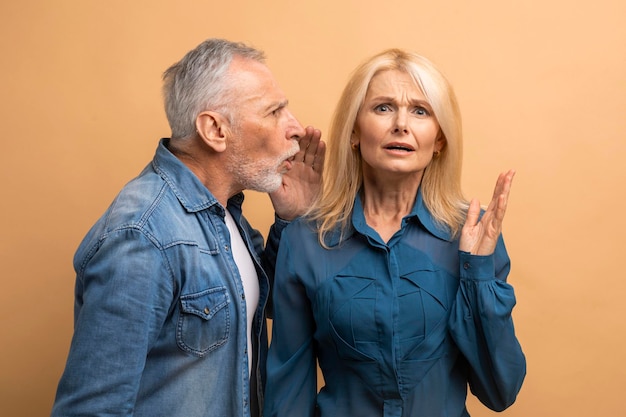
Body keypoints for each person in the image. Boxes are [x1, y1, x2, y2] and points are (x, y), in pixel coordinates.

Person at [51, 38, 325, 417]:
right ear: (215, 130)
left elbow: (270, 304)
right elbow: (93, 408)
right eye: (274, 111)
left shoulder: (225, 211)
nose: (294, 127)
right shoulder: (141, 236)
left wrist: (290, 220)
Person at [264, 48, 526, 417]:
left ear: (439, 140)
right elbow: (287, 392)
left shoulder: (472, 235)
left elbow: (501, 390)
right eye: (383, 107)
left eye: (420, 111)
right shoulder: (304, 240)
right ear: (354, 131)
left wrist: (477, 273)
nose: (401, 124)